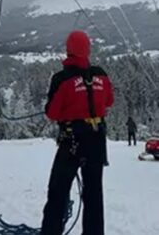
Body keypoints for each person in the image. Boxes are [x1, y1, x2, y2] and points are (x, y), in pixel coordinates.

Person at [40, 30, 114, 235]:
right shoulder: (101, 75)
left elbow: (52, 113)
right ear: (87, 49)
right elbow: (109, 100)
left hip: (72, 141)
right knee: (93, 194)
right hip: (96, 140)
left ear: (69, 50)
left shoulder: (62, 79)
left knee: (58, 192)